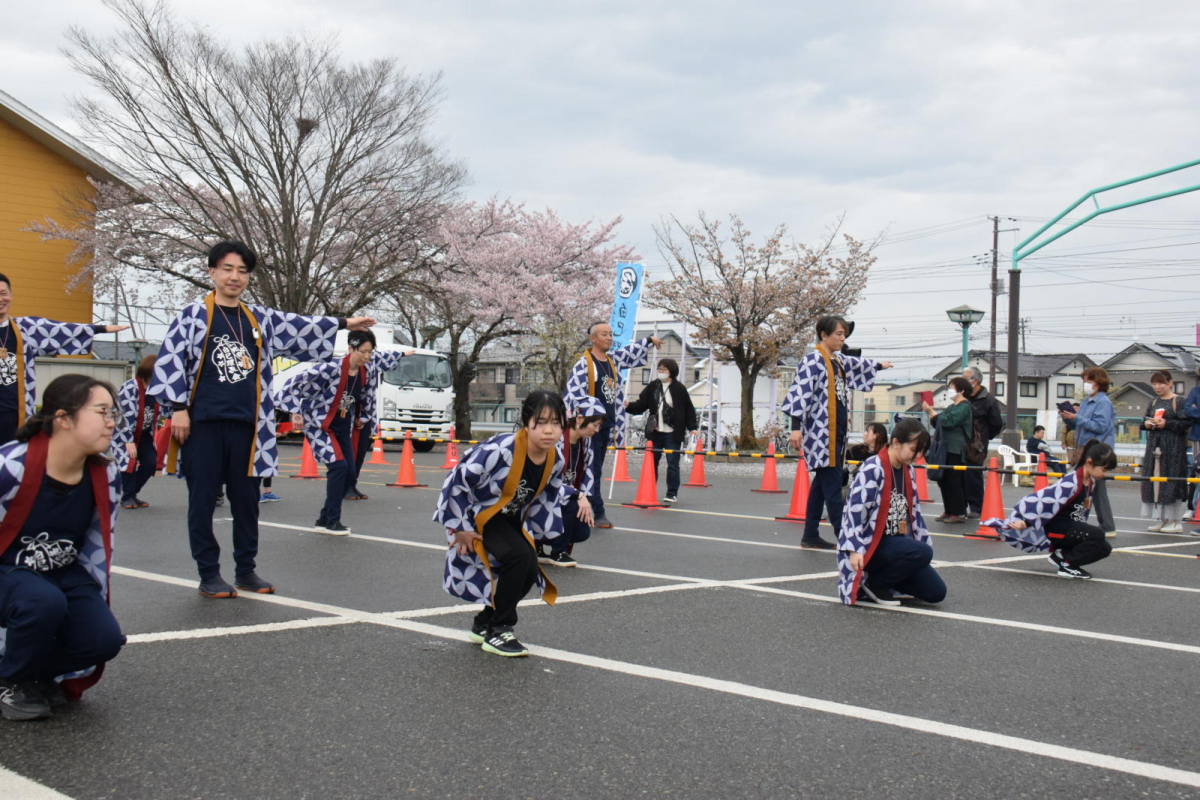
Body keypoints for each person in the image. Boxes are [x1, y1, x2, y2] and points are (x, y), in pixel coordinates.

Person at [149, 240, 375, 598]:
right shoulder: (193, 316)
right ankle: (209, 573)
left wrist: (345, 323)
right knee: (203, 500)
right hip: (203, 422)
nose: (234, 277)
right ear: (212, 273)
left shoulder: (259, 318)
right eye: (227, 269)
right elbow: (172, 360)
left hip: (249, 426)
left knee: (246, 500)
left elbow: (298, 325)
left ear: (249, 277)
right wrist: (177, 408)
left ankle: (245, 570)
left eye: (242, 271)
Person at [0, 375, 126, 721]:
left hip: (62, 573)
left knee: (103, 641)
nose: (111, 421)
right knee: (41, 601)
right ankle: (14, 680)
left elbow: (97, 546)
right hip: (8, 573)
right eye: (101, 411)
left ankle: (31, 672)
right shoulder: (11, 466)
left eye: (113, 412)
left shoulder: (105, 474)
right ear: (63, 419)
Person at [433, 390, 568, 657]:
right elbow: (457, 480)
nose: (549, 430)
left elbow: (548, 497)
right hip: (479, 516)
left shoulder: (556, 459)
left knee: (530, 568)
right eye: (541, 422)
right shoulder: (499, 449)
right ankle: (499, 629)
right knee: (518, 558)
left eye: (556, 422)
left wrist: (546, 533)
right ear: (526, 421)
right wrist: (460, 528)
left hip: (508, 518)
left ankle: (485, 623)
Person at [276, 330, 409, 534]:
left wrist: (401, 354)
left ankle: (323, 518)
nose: (367, 356)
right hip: (321, 425)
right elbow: (297, 383)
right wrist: (286, 412)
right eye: (362, 351)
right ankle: (332, 520)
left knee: (349, 471)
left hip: (343, 426)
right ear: (350, 349)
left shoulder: (368, 368)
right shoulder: (330, 369)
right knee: (338, 466)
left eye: (370, 352)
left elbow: (381, 360)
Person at [783, 316, 892, 549]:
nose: (843, 339)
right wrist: (795, 428)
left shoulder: (838, 360)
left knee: (821, 486)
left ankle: (810, 534)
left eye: (844, 334)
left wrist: (879, 366)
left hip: (837, 433)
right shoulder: (812, 360)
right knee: (833, 486)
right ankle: (846, 537)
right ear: (824, 335)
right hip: (821, 434)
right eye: (839, 334)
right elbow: (799, 394)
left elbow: (858, 365)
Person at [0, 273, 129, 444]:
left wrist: (100, 329)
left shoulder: (26, 329)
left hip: (16, 413)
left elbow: (59, 330)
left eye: (4, 293)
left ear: (11, 295)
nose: (2, 299)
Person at [564, 323, 662, 528]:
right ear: (592, 338)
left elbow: (627, 353)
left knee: (594, 467)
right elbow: (573, 396)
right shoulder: (583, 364)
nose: (608, 338)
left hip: (605, 425)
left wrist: (647, 342)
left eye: (610, 334)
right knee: (590, 468)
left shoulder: (612, 361)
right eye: (604, 334)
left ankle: (586, 508)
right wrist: (577, 422)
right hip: (588, 427)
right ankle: (595, 510)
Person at [838, 418, 944, 606]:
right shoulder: (872, 468)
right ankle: (875, 584)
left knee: (936, 592)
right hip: (873, 544)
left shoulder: (907, 470)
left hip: (897, 545)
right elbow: (853, 512)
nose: (917, 455)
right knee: (922, 552)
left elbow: (915, 513)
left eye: (919, 451)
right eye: (913, 449)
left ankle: (888, 581)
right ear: (896, 443)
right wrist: (854, 549)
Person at [984, 439, 1117, 579]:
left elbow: (1083, 508)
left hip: (1070, 527)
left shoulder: (1091, 482)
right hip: (1056, 529)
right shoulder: (1070, 483)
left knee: (1104, 548)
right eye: (1104, 469)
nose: (1105, 474)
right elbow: (1044, 500)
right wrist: (1026, 522)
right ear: (1089, 463)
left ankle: (1064, 557)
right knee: (1097, 535)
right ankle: (1065, 562)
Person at [539, 397, 606, 567]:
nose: (597, 430)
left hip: (566, 492)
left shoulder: (586, 442)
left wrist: (585, 498)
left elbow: (588, 474)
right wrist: (577, 495)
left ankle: (541, 544)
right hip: (544, 494)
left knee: (582, 528)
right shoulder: (557, 439)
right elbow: (547, 481)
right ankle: (556, 551)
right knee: (572, 505)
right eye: (595, 424)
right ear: (580, 419)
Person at [624, 357, 698, 504]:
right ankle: (649, 488)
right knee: (652, 463)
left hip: (673, 432)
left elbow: (688, 409)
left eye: (664, 369)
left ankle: (672, 493)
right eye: (659, 369)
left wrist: (693, 428)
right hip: (655, 431)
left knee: (672, 463)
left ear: (671, 372)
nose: (661, 372)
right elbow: (641, 405)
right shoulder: (652, 386)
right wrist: (629, 406)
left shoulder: (679, 388)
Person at [1063, 367, 1117, 536]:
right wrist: (1069, 418)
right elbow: (1081, 424)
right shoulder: (1087, 401)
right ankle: (1092, 522)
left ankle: (1107, 525)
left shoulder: (1103, 402)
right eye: (1085, 381)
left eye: (1089, 381)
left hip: (1098, 449)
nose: (1086, 384)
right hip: (1085, 447)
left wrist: (1076, 418)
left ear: (1098, 382)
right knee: (1087, 485)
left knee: (1095, 486)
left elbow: (1099, 426)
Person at [1139, 370, 1190, 533]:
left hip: (1173, 446)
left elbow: (1185, 423)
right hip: (1154, 444)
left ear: (1170, 383)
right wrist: (1146, 424)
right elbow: (1144, 420)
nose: (1157, 387)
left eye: (1161, 383)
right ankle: (1160, 518)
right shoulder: (1153, 402)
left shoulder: (1179, 401)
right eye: (1154, 384)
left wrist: (1166, 423)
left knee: (1171, 478)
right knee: (1154, 479)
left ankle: (1174, 520)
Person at [922, 377, 974, 523]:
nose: (949, 390)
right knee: (943, 480)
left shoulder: (964, 406)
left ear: (962, 390)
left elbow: (949, 422)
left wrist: (932, 412)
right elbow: (939, 422)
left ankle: (958, 512)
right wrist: (931, 414)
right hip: (945, 447)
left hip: (955, 448)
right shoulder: (952, 406)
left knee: (953, 480)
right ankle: (949, 510)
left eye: (951, 387)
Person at [113, 355, 160, 510]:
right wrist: (128, 440)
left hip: (145, 434)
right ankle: (127, 496)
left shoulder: (156, 390)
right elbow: (122, 414)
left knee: (150, 463)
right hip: (125, 435)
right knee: (129, 464)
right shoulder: (130, 387)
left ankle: (131, 493)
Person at [960, 367, 1004, 519]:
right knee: (958, 474)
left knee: (973, 475)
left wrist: (984, 438)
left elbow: (997, 423)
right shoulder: (963, 397)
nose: (963, 382)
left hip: (977, 445)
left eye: (966, 379)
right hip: (960, 442)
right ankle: (960, 507)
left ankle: (976, 507)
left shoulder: (988, 400)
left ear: (975, 381)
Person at [1182, 366, 1200, 534]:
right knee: (1197, 474)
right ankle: (1193, 509)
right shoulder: (1196, 391)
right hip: (1197, 437)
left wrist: (1197, 410)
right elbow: (1188, 410)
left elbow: (1193, 410)